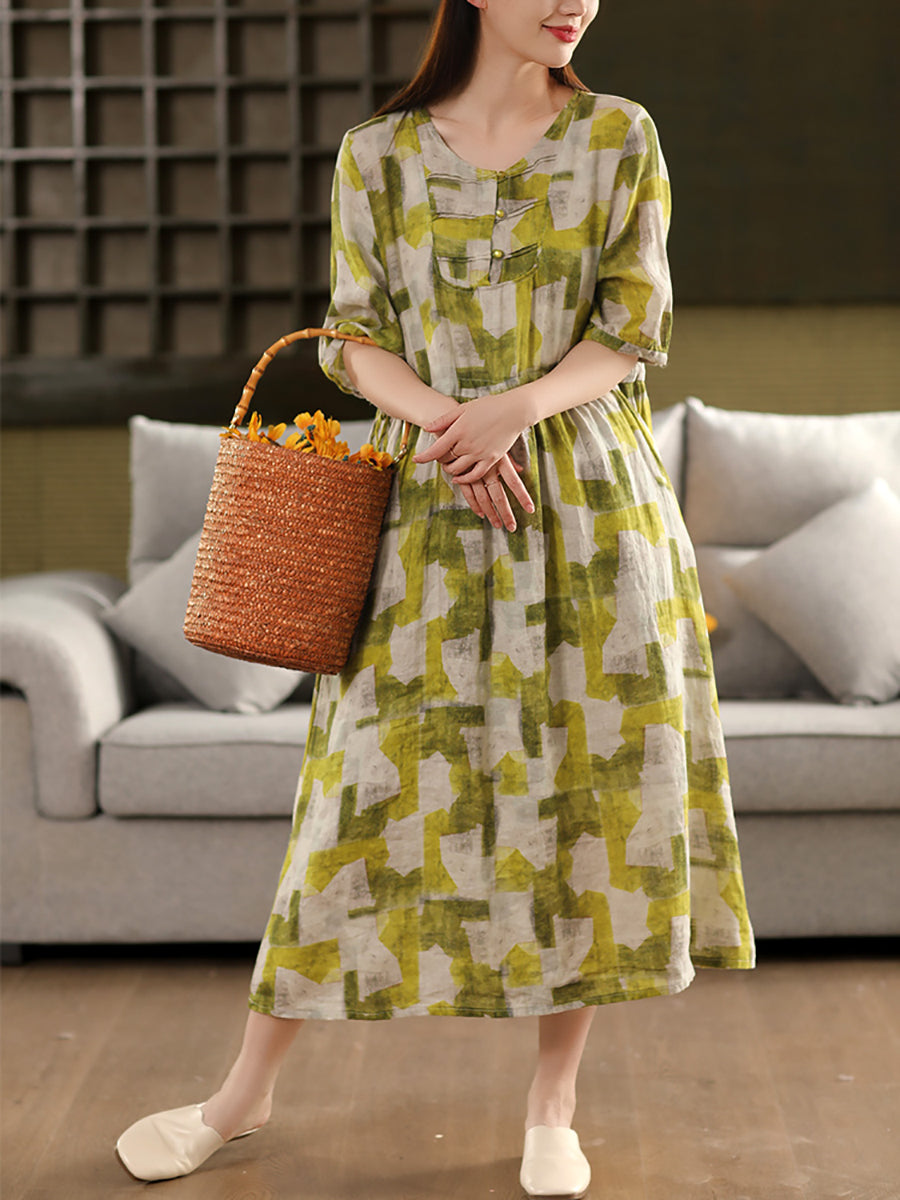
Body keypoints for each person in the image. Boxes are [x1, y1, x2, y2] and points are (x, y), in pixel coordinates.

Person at [115, 1, 756, 1194]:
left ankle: (554, 1103)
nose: (574, 1)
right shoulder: (378, 154)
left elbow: (632, 328)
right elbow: (354, 339)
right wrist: (451, 424)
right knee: (353, 795)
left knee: (585, 795)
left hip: (591, 506)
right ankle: (242, 1095)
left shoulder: (621, 134)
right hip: (426, 508)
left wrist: (515, 408)